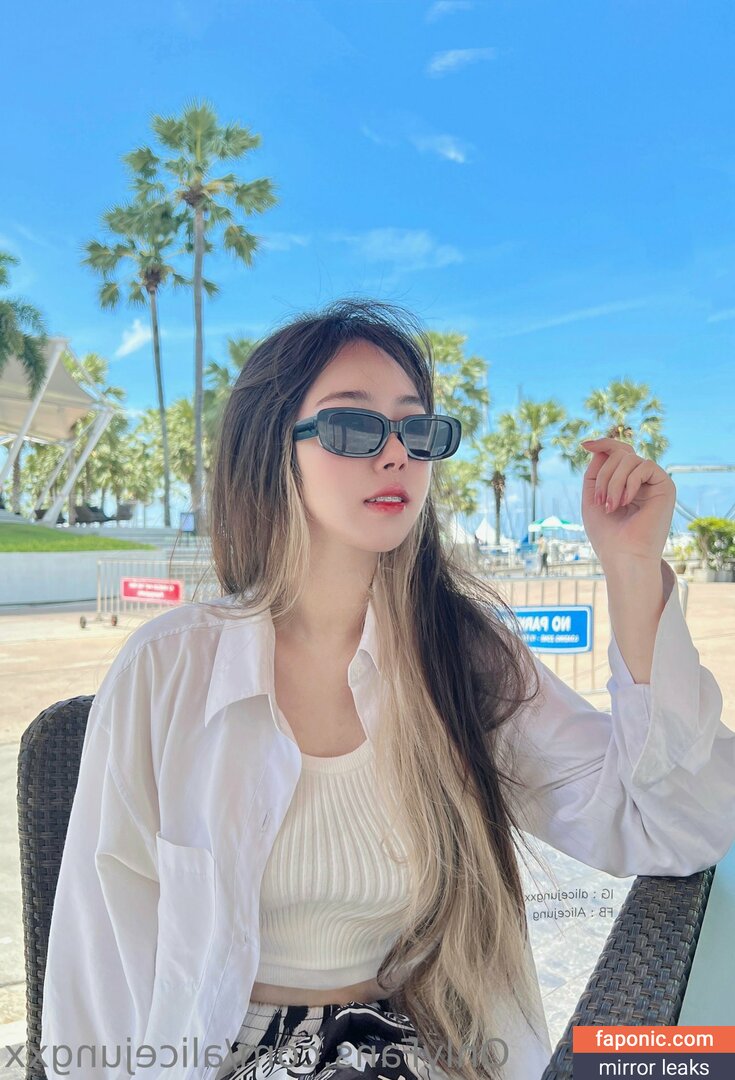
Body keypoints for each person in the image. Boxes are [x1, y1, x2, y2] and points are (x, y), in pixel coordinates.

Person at [41, 299, 735, 1080]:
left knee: (707, 1064)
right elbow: (100, 946)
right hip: (210, 1055)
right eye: (352, 426)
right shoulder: (170, 668)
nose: (397, 454)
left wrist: (632, 570)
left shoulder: (459, 655)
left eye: (417, 428)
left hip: (422, 1048)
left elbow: (672, 829)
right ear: (271, 449)